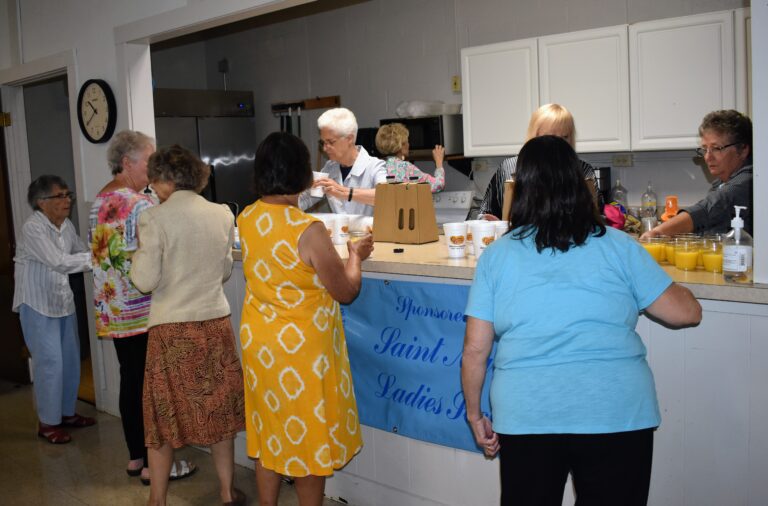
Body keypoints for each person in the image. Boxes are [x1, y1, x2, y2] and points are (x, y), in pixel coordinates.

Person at [461, 136, 702, 505]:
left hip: (528, 414)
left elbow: (475, 351)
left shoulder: (496, 257)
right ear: (579, 185)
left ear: (521, 190)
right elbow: (687, 313)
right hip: (616, 412)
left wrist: (475, 415)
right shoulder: (620, 246)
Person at [238, 132, 373, 505]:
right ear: (301, 173)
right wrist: (356, 257)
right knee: (309, 441)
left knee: (270, 433)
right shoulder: (307, 229)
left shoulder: (246, 217)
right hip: (301, 352)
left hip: (260, 344)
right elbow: (345, 290)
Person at [130, 145, 246, 506]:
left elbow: (144, 280)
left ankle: (158, 499)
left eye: (153, 181)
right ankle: (227, 492)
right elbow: (224, 270)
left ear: (164, 179)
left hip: (172, 332)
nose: (152, 188)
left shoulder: (154, 218)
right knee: (219, 411)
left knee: (162, 418)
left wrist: (137, 255)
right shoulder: (222, 213)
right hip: (214, 325)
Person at [90, 130, 196, 485]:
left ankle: (137, 456)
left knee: (131, 381)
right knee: (150, 389)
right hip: (142, 308)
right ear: (127, 163)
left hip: (114, 308)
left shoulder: (99, 200)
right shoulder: (140, 204)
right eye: (148, 161)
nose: (153, 169)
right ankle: (154, 466)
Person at [12, 175, 94, 444]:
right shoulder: (33, 228)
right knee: (50, 364)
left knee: (70, 360)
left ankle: (67, 413)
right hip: (37, 304)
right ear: (41, 202)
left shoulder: (66, 225)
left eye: (68, 195)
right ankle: (48, 422)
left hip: (62, 302)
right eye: (60, 196)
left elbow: (80, 251)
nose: (67, 200)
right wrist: (101, 257)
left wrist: (101, 249)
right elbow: (59, 261)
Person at [640, 109, 753, 239]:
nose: (708, 157)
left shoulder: (748, 181)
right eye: (705, 149)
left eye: (716, 148)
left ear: (743, 150)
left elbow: (708, 209)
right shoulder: (721, 183)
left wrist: (657, 233)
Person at [474, 103, 597, 220]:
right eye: (550, 137)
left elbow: (597, 215)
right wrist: (488, 221)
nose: (557, 145)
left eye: (564, 137)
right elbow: (485, 213)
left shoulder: (583, 170)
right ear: (534, 136)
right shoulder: (509, 168)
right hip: (517, 235)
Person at [299, 107, 386, 216]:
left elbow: (386, 197)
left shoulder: (375, 166)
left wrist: (343, 192)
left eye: (331, 142)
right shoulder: (330, 168)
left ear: (349, 139)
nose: (325, 148)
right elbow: (307, 198)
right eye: (323, 143)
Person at [375, 122, 446, 192]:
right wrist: (439, 163)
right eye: (407, 141)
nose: (409, 144)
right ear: (401, 145)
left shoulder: (378, 166)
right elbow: (438, 185)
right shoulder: (406, 168)